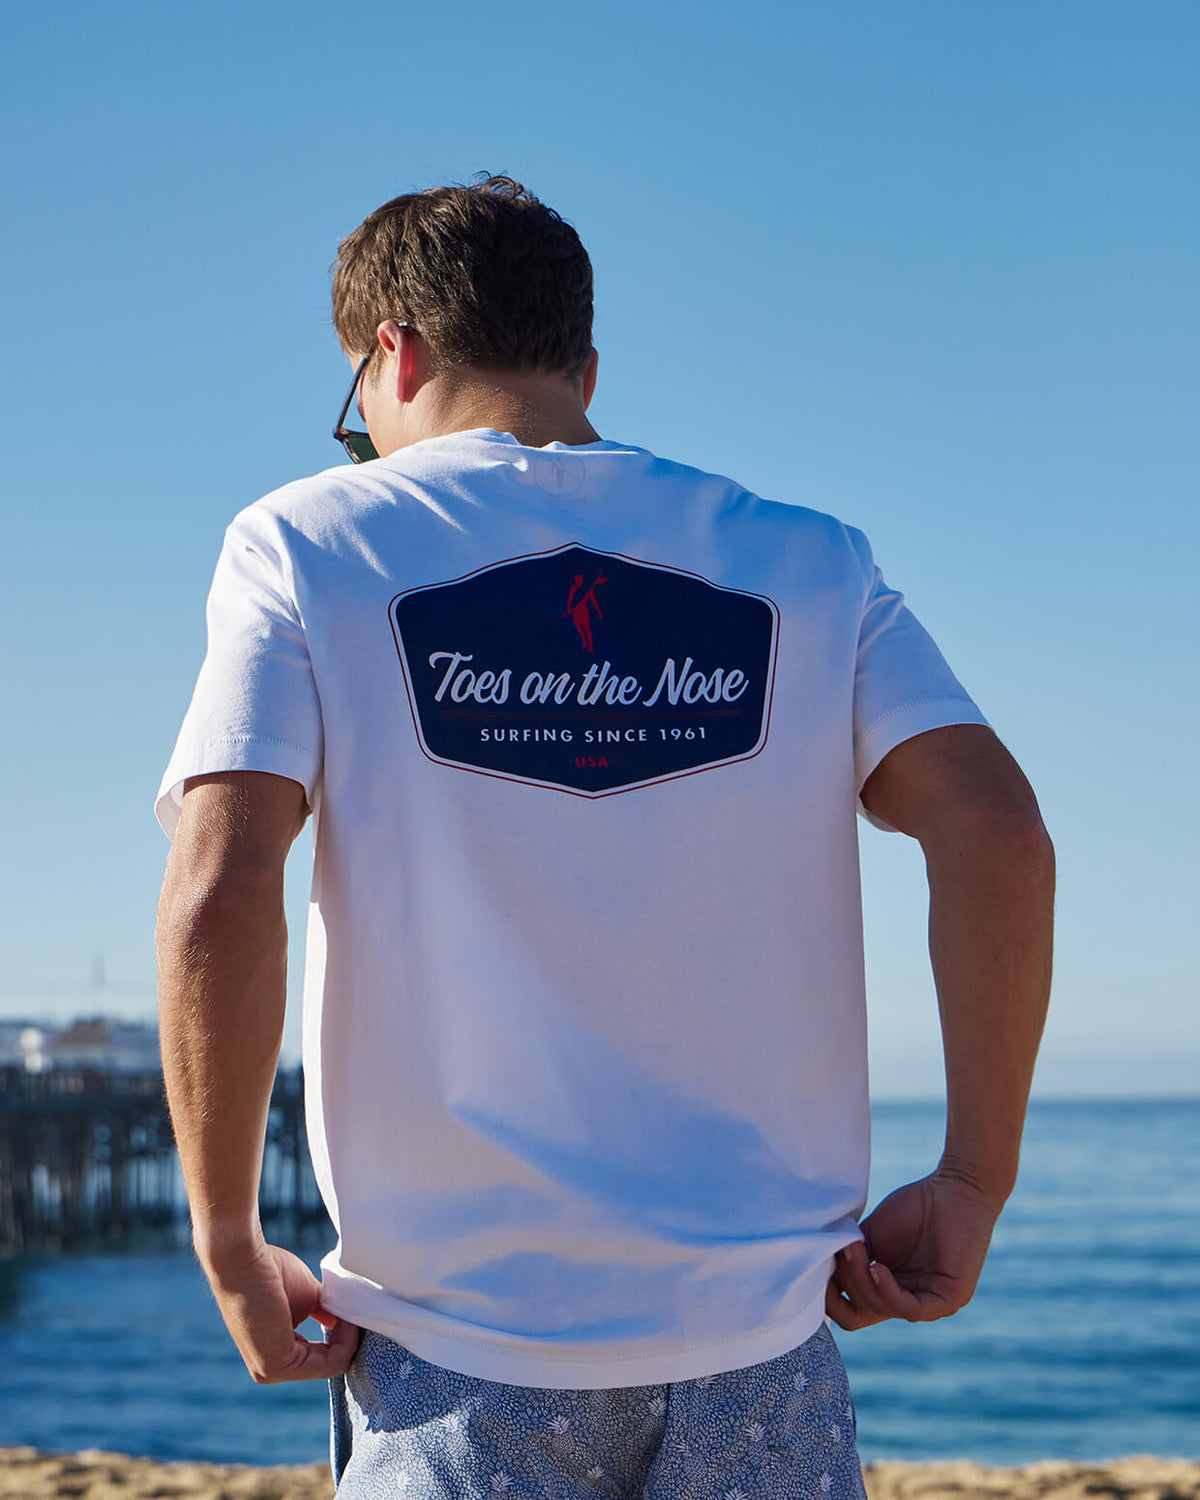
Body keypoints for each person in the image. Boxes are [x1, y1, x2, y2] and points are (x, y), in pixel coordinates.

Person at [155, 175, 1054, 1499]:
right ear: (584, 367)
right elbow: (999, 834)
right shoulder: (808, 561)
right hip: (761, 1347)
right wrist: (975, 1180)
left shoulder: (308, 541)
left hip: (453, 1352)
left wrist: (229, 1234)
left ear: (391, 354)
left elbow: (223, 887)